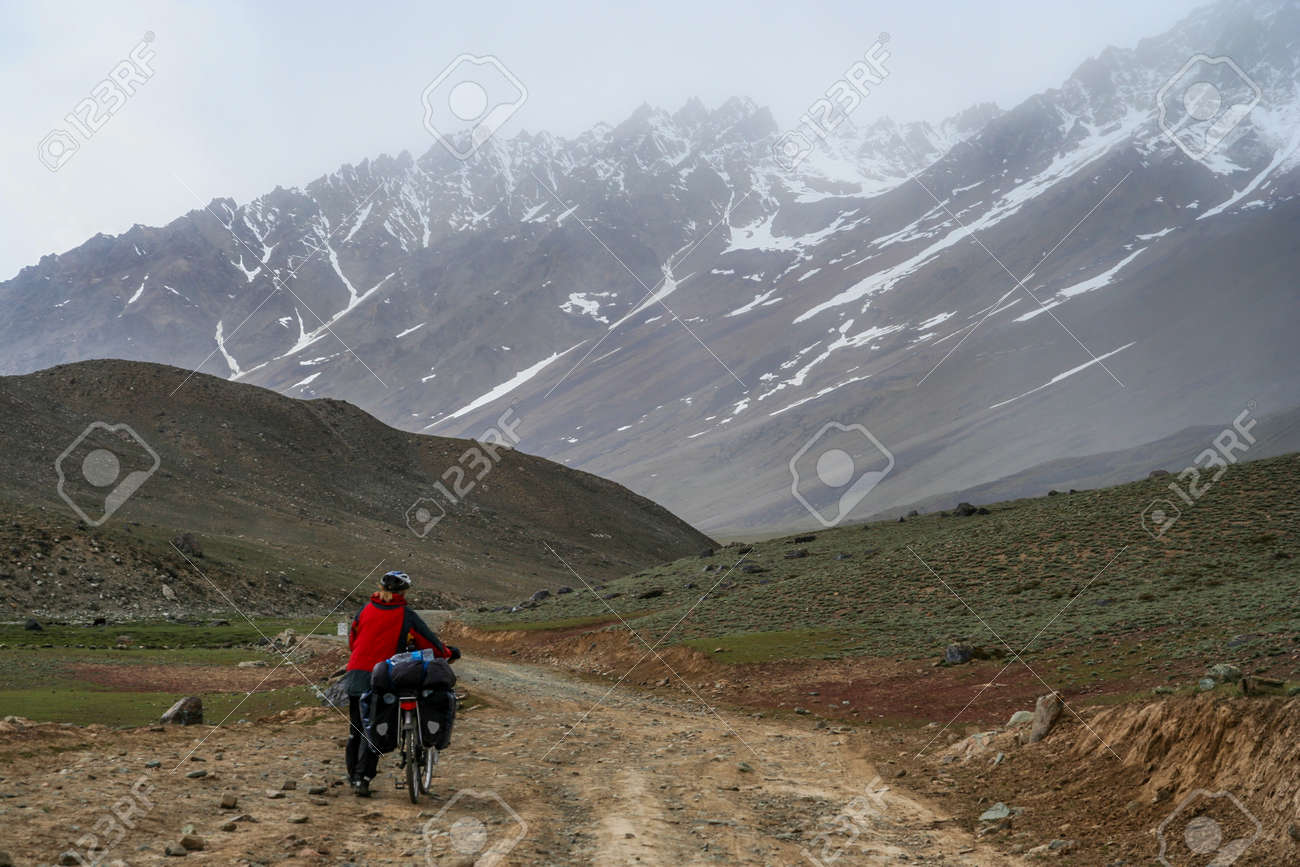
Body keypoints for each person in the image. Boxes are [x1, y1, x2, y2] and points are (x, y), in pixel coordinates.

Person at [343, 570, 455, 797]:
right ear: (404, 592)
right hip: (381, 675)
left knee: (356, 728)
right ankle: (363, 778)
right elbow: (431, 644)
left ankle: (355, 777)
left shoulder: (364, 610)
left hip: (355, 672)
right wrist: (448, 652)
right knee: (375, 724)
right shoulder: (406, 614)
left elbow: (353, 641)